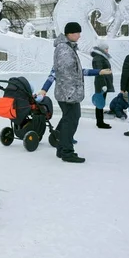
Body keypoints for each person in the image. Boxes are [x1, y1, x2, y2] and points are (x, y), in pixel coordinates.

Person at [46, 22, 111, 163]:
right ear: (70, 33)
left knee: (69, 120)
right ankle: (67, 152)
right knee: (71, 121)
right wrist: (71, 92)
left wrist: (98, 71)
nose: (79, 36)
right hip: (68, 93)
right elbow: (66, 73)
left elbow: (75, 71)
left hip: (68, 92)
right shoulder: (64, 49)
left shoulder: (67, 47)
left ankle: (61, 149)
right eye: (77, 33)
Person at [91, 41, 114, 129]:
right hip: (101, 84)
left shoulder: (101, 57)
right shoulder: (98, 58)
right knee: (99, 102)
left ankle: (100, 121)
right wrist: (103, 85)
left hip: (103, 83)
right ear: (101, 49)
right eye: (106, 49)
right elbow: (99, 72)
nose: (107, 50)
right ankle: (100, 122)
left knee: (101, 102)